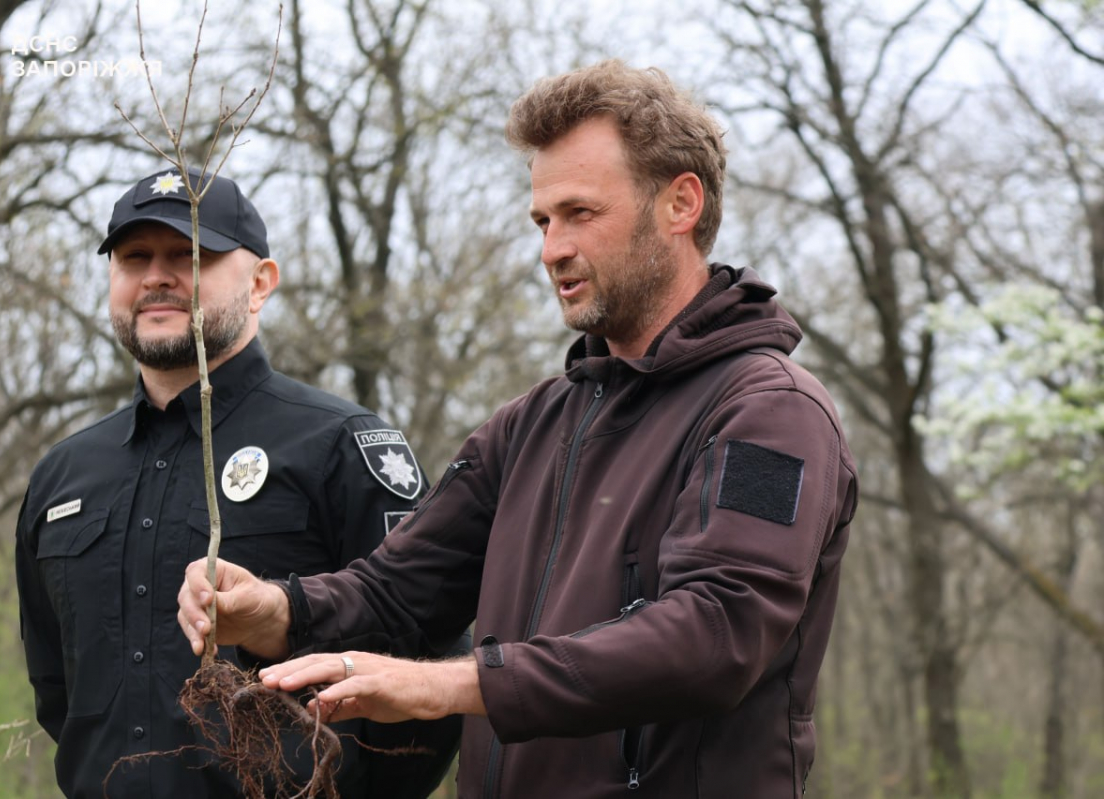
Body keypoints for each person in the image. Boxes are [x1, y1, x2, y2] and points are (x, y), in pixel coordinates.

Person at [178, 60, 859, 798]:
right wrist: (272, 609)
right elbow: (397, 595)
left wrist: (462, 684)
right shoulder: (532, 425)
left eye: (580, 213)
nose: (551, 249)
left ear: (680, 204)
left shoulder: (771, 411)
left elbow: (717, 634)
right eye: (542, 220)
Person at [15, 167, 461, 798]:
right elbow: (58, 693)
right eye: (133, 257)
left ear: (260, 283)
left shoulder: (341, 445)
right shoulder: (62, 477)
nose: (157, 276)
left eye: (189, 254)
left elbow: (430, 649)